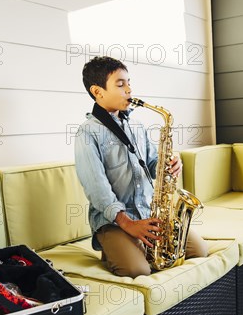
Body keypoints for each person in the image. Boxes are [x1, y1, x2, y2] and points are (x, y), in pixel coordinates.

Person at [74, 56, 208, 278]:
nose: (129, 89)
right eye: (120, 84)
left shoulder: (136, 125)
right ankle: (116, 249)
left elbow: (154, 162)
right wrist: (128, 225)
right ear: (98, 92)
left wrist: (170, 165)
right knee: (137, 269)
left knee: (199, 250)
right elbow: (97, 189)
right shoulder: (87, 133)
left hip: (147, 213)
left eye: (129, 82)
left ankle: (138, 248)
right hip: (114, 222)